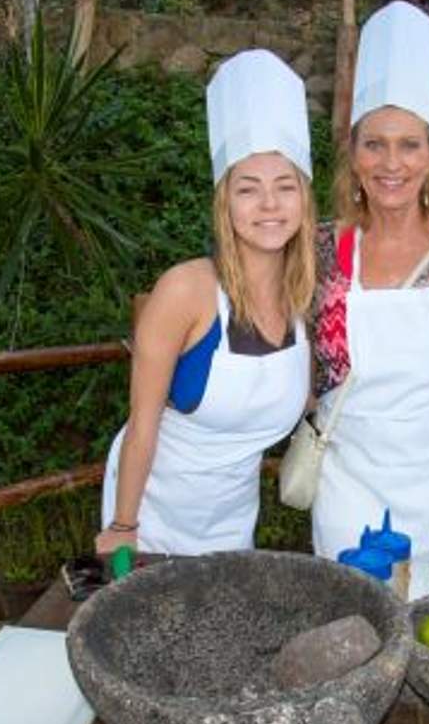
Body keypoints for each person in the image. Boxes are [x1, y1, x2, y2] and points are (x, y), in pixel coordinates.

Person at [98, 50, 315, 558]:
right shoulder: (185, 290)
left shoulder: (304, 293)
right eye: (248, 189)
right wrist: (123, 527)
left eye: (285, 187)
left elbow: (306, 402)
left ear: (304, 201)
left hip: (232, 519)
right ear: (225, 203)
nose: (268, 205)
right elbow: (143, 424)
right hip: (154, 509)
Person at [308, 0, 429, 564]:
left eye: (409, 144)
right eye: (374, 143)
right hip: (346, 483)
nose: (391, 163)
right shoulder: (322, 250)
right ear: (352, 153)